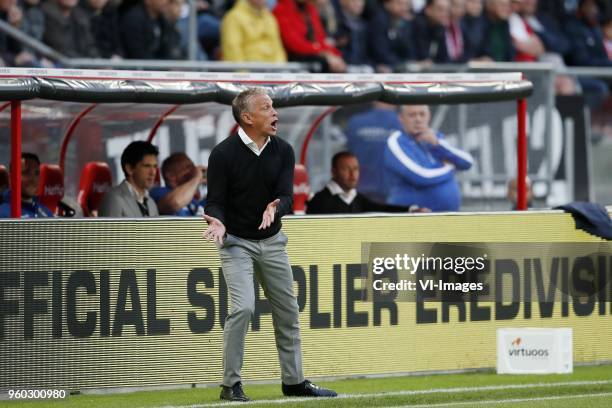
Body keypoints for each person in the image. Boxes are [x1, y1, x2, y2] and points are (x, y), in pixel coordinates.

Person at [203, 88, 337, 402]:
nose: (275, 112)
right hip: (236, 243)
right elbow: (215, 202)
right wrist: (217, 220)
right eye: (266, 107)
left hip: (272, 241)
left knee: (288, 311)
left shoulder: (284, 150)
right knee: (243, 308)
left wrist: (278, 206)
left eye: (273, 106)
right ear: (247, 118)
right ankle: (230, 385)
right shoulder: (222, 154)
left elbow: (287, 196)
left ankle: (294, 382)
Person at [383, 104, 473, 212]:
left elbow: (467, 162)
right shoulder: (396, 141)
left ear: (429, 116)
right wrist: (450, 168)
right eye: (412, 115)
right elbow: (420, 176)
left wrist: (438, 145)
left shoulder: (433, 137)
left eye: (422, 114)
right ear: (401, 118)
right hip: (412, 219)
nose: (418, 119)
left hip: (446, 218)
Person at [307, 151, 427, 214]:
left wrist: (411, 210)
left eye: (355, 169)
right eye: (345, 169)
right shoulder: (319, 201)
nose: (352, 174)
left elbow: (381, 209)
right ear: (334, 172)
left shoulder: (357, 198)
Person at [344, 101, 402, 202]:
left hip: (362, 187)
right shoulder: (402, 123)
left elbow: (349, 151)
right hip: (395, 190)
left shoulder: (356, 122)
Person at [98, 141, 160, 217]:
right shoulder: (113, 199)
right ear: (129, 169)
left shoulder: (151, 202)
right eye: (147, 166)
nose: (153, 172)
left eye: (155, 166)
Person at [221, 0, 287, 63]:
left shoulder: (270, 18)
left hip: (273, 69)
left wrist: (279, 70)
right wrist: (243, 73)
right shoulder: (233, 17)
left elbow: (278, 49)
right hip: (250, 69)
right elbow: (232, 51)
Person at [0, 152, 53, 218]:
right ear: (11, 178)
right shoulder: (4, 215)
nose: (33, 180)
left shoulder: (45, 211)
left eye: (36, 173)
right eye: (26, 173)